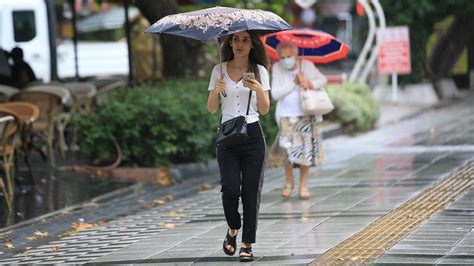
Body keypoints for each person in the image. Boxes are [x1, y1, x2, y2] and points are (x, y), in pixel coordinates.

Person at [207, 30, 270, 262]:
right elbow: (212, 108)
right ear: (230, 43)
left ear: (252, 44)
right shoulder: (218, 70)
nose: (240, 44)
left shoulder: (260, 71)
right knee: (230, 190)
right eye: (236, 40)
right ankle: (233, 227)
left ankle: (247, 244)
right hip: (227, 137)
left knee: (251, 193)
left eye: (245, 40)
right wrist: (216, 89)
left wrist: (259, 89)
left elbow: (264, 110)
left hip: (253, 135)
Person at [269, 41, 327, 200]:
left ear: (296, 55)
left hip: (305, 114)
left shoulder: (307, 66)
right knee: (287, 151)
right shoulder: (277, 68)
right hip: (286, 116)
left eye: (289, 56)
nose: (286, 60)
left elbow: (323, 80)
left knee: (305, 151)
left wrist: (309, 83)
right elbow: (275, 94)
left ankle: (303, 186)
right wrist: (293, 83)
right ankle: (289, 183)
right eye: (282, 57)